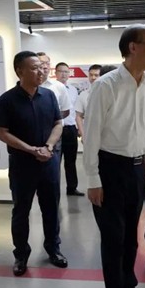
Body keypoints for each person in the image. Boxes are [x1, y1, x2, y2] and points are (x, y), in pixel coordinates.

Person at [83, 24, 145, 288]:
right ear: (133, 47)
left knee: (131, 236)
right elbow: (91, 135)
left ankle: (128, 285)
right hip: (110, 169)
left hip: (138, 168)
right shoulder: (106, 85)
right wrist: (93, 180)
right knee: (114, 237)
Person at [0, 51, 69, 276]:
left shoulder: (49, 95)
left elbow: (58, 123)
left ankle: (53, 249)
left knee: (51, 208)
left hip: (48, 162)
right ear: (20, 71)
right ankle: (21, 254)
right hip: (22, 164)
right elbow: (2, 132)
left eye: (42, 67)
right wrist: (29, 149)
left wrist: (48, 147)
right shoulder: (7, 100)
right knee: (21, 210)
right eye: (35, 68)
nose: (41, 71)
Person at [55, 62, 84, 196]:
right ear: (56, 73)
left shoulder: (73, 89)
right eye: (61, 71)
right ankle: (54, 189)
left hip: (71, 128)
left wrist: (78, 127)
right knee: (56, 161)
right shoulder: (51, 88)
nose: (64, 74)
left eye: (66, 71)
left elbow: (76, 111)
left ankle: (72, 188)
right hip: (57, 129)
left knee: (71, 160)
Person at [36, 52, 70, 120]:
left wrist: (52, 120)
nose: (45, 67)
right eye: (42, 63)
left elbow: (65, 111)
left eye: (47, 63)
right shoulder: (29, 86)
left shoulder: (59, 86)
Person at [75, 64, 102, 142]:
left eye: (96, 75)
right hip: (90, 134)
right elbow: (78, 116)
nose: (93, 77)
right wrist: (83, 134)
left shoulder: (109, 93)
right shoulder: (83, 94)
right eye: (91, 75)